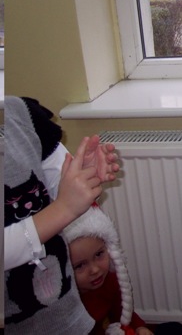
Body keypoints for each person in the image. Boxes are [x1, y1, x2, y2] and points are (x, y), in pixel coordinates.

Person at [4, 96, 120, 334]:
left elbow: (57, 187)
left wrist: (84, 178)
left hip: (67, 312)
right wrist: (64, 208)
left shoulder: (23, 114)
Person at [63, 203, 182, 335]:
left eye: (99, 254)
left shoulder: (109, 280)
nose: (95, 270)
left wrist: (139, 327)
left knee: (174, 329)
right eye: (80, 265)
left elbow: (121, 313)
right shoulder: (64, 302)